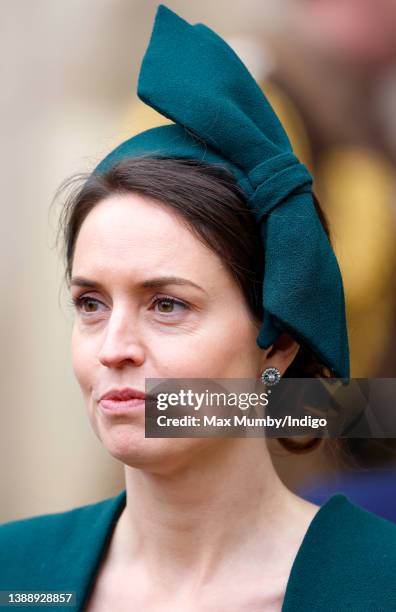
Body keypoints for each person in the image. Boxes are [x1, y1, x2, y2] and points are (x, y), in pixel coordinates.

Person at [1, 5, 395, 611]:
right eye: (89, 303)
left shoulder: (374, 585)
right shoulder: (20, 574)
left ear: (279, 338)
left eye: (166, 304)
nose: (113, 348)